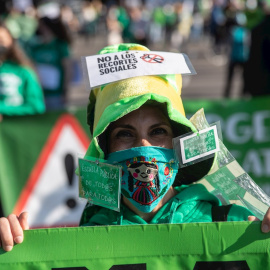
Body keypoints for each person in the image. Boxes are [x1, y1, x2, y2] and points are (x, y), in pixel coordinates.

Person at [1, 43, 270, 252]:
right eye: (125, 134)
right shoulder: (86, 237)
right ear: (105, 151)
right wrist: (11, 252)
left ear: (179, 143)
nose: (143, 146)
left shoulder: (231, 222)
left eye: (158, 131)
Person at [0, 22, 45, 117]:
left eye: (1, 40)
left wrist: (3, 110)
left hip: (14, 128)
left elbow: (36, 107)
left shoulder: (23, 71)